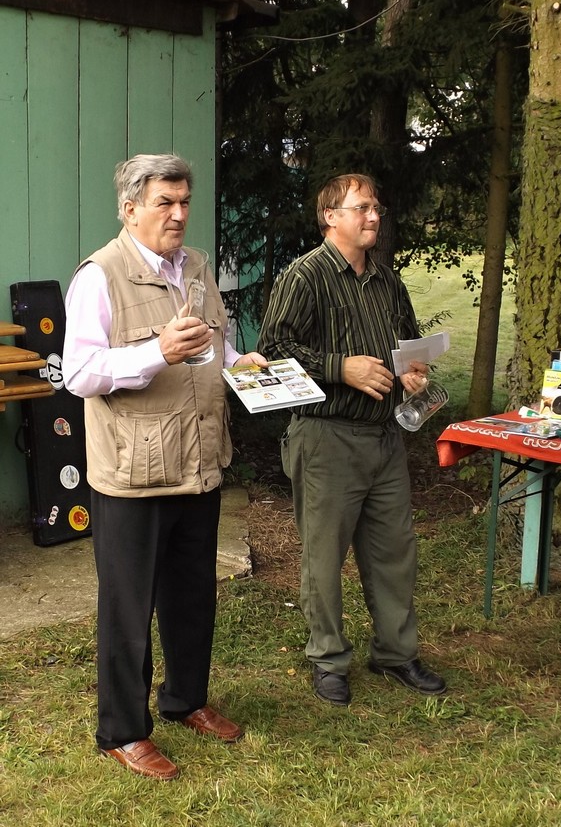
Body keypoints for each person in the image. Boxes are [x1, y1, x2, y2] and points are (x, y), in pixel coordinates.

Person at [63, 154, 268, 781]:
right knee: (128, 609)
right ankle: (123, 731)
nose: (179, 215)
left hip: (198, 461)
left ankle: (186, 700)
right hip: (132, 472)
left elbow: (213, 345)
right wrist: (156, 352)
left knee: (191, 595)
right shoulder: (100, 276)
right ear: (130, 209)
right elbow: (79, 374)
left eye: (184, 202)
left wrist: (241, 363)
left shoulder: (196, 267)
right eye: (164, 203)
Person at [256, 172, 446, 707]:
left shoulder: (387, 281)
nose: (374, 216)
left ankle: (395, 653)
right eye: (362, 207)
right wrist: (341, 367)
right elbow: (272, 349)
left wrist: (413, 373)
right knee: (324, 560)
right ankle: (328, 659)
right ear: (330, 217)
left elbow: (408, 346)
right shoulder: (305, 276)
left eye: (376, 207)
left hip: (385, 438)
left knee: (394, 553)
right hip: (327, 438)